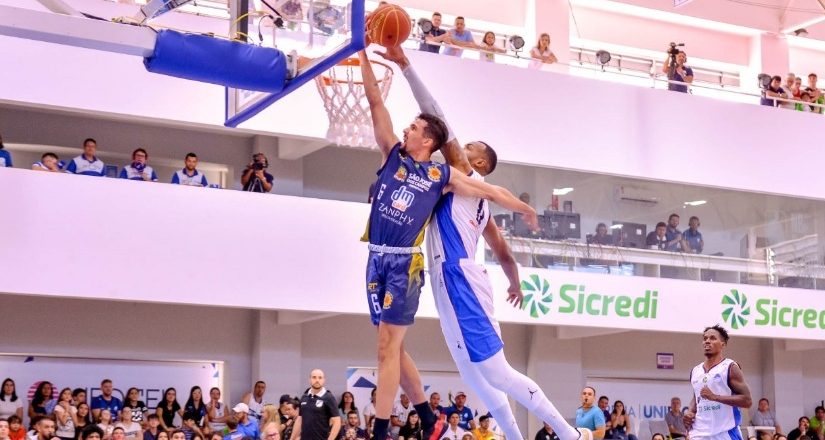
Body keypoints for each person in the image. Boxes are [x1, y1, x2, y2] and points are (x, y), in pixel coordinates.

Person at [373, 44, 586, 440]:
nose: (458, 146)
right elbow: (502, 249)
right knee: (476, 378)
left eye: (467, 147)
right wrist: (515, 282)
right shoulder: (476, 200)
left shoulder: (466, 174)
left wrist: (406, 65)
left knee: (496, 372)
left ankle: (568, 434)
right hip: (446, 276)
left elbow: (437, 116)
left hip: (458, 274)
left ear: (480, 163)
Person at [683, 325, 753, 440]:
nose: (707, 341)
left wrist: (715, 397)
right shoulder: (695, 370)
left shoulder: (730, 367)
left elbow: (747, 401)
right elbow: (696, 397)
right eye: (705, 338)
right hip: (699, 433)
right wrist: (690, 412)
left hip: (725, 433)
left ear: (723, 344)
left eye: (712, 338)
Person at [287, 369, 340, 440]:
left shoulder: (329, 397)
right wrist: (292, 438)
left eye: (320, 377)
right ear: (310, 379)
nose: (317, 380)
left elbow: (337, 422)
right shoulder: (304, 397)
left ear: (324, 380)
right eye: (314, 377)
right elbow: (300, 420)